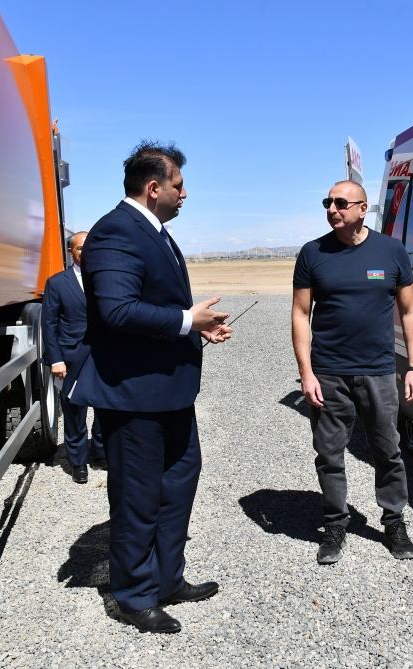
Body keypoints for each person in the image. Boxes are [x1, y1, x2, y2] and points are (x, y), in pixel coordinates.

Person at [69, 141, 232, 634]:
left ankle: (167, 579)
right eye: (179, 185)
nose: (186, 194)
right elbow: (117, 311)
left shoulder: (154, 232)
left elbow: (150, 307)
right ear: (154, 187)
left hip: (171, 394)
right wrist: (186, 318)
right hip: (136, 397)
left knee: (178, 487)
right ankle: (134, 595)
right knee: (138, 498)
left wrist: (195, 327)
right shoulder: (115, 232)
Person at [291, 179, 413, 565]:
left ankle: (394, 521)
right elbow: (301, 314)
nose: (332, 209)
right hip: (329, 373)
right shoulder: (312, 253)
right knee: (329, 453)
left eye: (341, 203)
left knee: (388, 450)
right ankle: (335, 524)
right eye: (327, 203)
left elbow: (410, 310)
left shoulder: (391, 251)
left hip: (379, 371)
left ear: (363, 209)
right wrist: (307, 372)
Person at [41, 231, 104, 484]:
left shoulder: (104, 279)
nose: (86, 252)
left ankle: (100, 451)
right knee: (74, 412)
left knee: (105, 409)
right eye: (80, 249)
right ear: (71, 252)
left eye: (90, 247)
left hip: (102, 356)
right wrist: (55, 359)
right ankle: (78, 462)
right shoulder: (57, 283)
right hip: (71, 358)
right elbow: (49, 324)